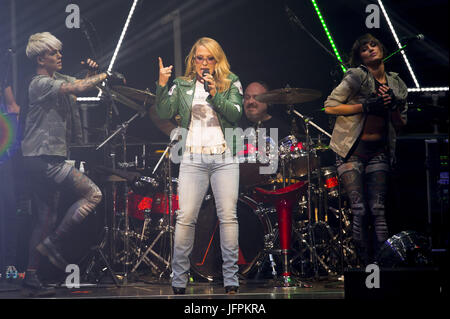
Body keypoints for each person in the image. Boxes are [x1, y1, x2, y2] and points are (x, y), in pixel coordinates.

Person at [20, 32, 124, 296]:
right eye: (54, 53)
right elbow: (77, 88)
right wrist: (106, 75)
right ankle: (51, 244)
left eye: (59, 52)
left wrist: (92, 72)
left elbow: (78, 82)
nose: (59, 56)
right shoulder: (39, 83)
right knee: (93, 194)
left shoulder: (56, 78)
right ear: (41, 58)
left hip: (44, 158)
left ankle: (31, 275)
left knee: (46, 218)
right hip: (42, 159)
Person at [155, 37, 243, 295]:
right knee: (185, 218)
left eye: (210, 58)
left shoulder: (231, 82)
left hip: (224, 157)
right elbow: (163, 112)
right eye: (199, 58)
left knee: (228, 217)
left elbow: (236, 114)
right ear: (193, 60)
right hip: (192, 157)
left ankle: (231, 280)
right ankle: (179, 280)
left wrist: (215, 93)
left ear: (218, 60)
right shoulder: (182, 85)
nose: (204, 63)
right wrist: (162, 85)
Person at [324, 34, 408, 266]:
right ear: (358, 56)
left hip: (379, 151)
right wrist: (364, 105)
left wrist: (391, 107)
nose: (370, 50)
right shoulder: (356, 77)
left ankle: (382, 263)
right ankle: (361, 265)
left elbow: (401, 126)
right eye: (364, 48)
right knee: (359, 209)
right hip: (351, 150)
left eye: (373, 45)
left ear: (382, 49)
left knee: (378, 209)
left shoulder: (396, 84)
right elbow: (329, 107)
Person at [0, 64, 21, 282]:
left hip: (3, 157)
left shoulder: (2, 80)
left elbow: (14, 109)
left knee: (8, 206)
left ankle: (10, 264)